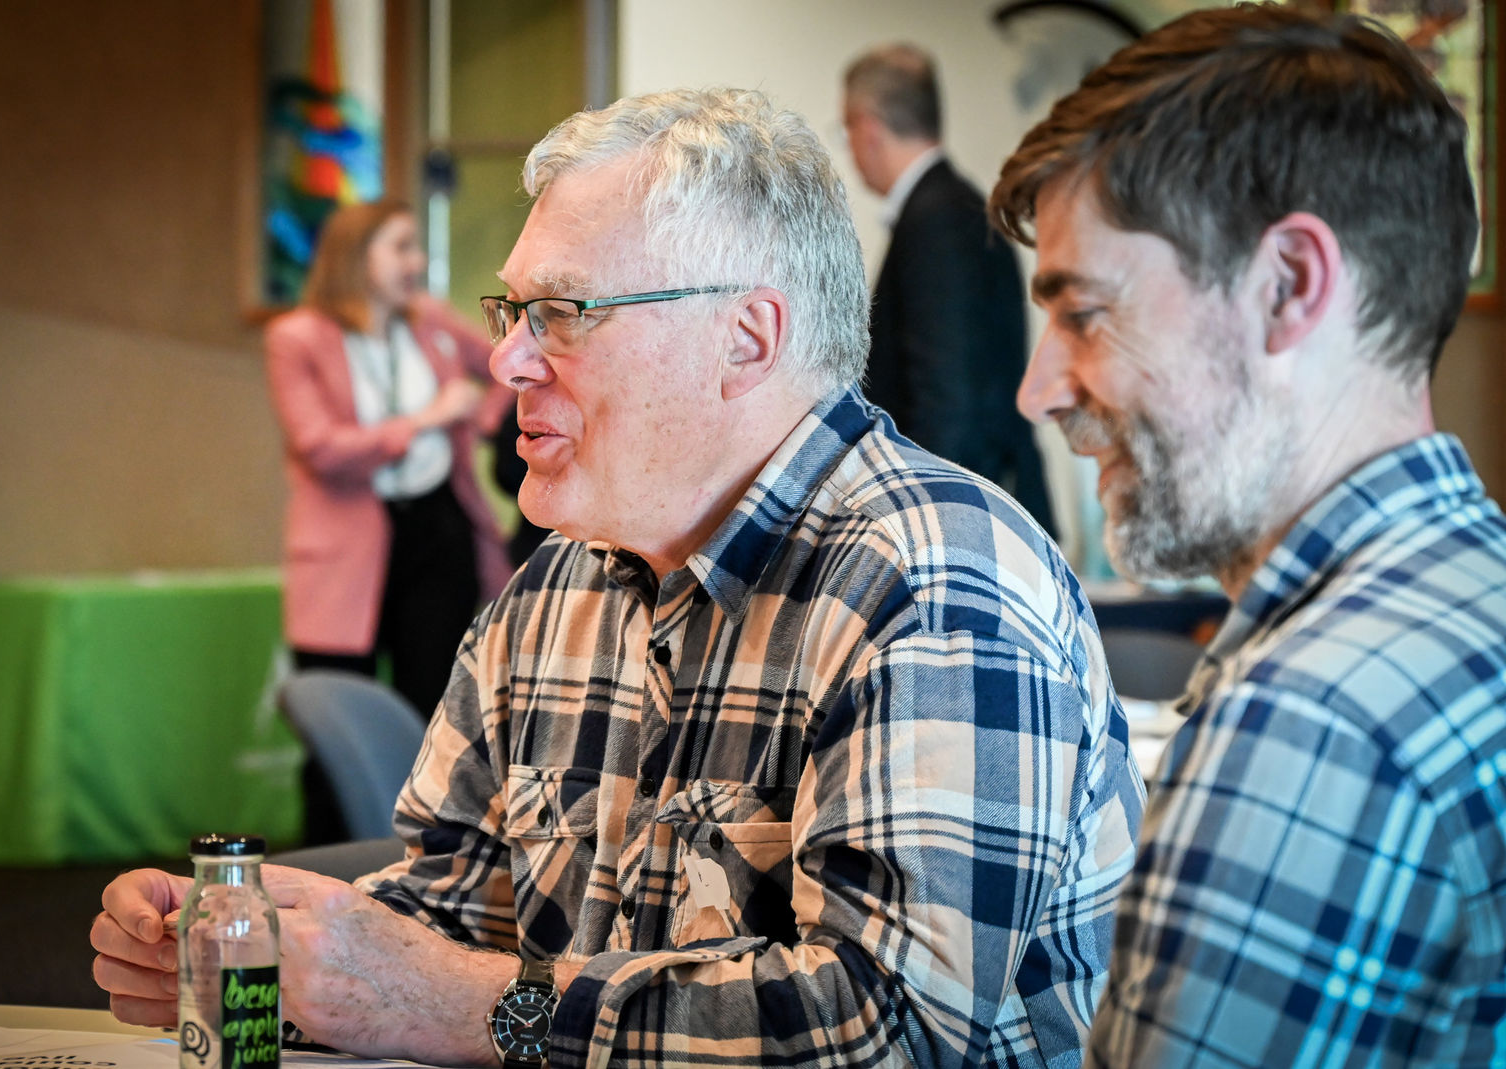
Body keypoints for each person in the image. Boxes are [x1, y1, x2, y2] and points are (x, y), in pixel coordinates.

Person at [93, 88, 1141, 1067]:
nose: (506, 361)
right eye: (512, 312)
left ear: (745, 339)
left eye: (562, 312)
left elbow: (889, 1031)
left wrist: (450, 1000)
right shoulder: (555, 588)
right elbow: (449, 922)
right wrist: (267, 952)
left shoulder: (934, 585)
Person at [988, 5, 1506, 1066]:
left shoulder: (1305, 724)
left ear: (1287, 287)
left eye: (1084, 313)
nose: (1038, 390)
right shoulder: (1476, 587)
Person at [264, 199, 512, 723]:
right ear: (356, 255)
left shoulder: (430, 321)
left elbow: (508, 364)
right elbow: (320, 449)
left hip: (438, 532)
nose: (417, 262)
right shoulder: (296, 337)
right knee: (337, 719)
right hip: (345, 542)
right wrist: (425, 420)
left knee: (431, 714)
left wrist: (483, 420)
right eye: (401, 247)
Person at [843, 43, 1055, 536]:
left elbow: (946, 398)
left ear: (867, 129)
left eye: (846, 130)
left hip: (962, 523)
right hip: (974, 507)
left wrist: (918, 527)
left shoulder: (938, 219)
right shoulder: (951, 207)